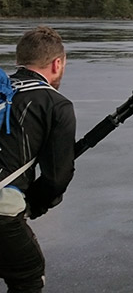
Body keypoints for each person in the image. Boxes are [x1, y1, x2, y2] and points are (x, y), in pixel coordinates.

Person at [0, 26, 76, 293]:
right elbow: (57, 177)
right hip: (2, 212)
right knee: (28, 277)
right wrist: (36, 204)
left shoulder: (3, 90)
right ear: (57, 63)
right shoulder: (56, 104)